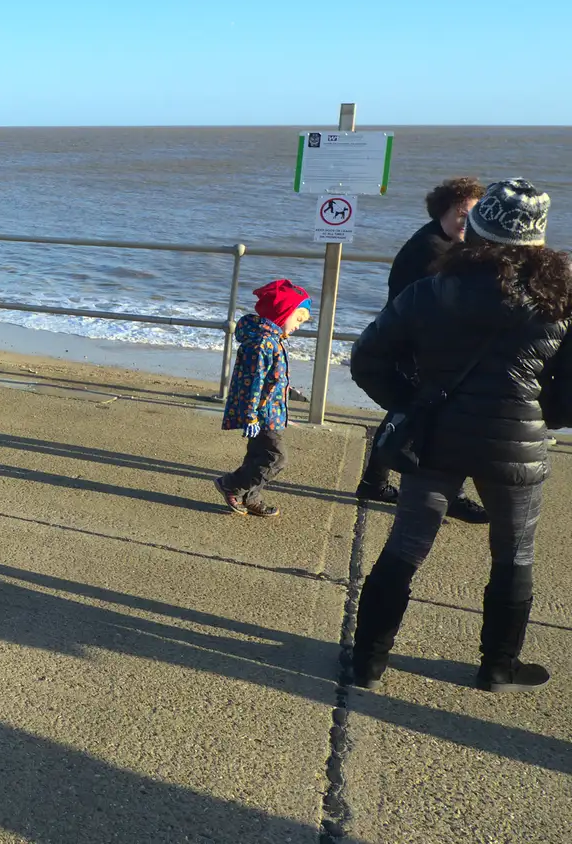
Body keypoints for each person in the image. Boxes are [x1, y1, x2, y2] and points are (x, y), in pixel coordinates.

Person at [350, 178, 572, 693]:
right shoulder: (560, 302)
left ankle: (368, 664)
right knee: (514, 553)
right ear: (538, 242)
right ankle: (498, 667)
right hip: (517, 445)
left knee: (405, 547)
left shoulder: (429, 291)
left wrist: (409, 401)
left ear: (472, 231)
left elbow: (366, 359)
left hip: (435, 438)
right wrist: (541, 414)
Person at [356, 177, 489, 523]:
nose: (466, 223)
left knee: (406, 412)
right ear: (443, 211)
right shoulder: (432, 249)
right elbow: (442, 304)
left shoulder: (444, 242)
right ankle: (449, 494)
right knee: (428, 414)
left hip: (409, 340)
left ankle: (374, 482)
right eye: (461, 214)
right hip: (413, 345)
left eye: (473, 216)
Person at [214, 280, 312, 517]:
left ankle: (251, 496)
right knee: (276, 458)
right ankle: (233, 485)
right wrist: (250, 416)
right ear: (282, 313)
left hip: (270, 411)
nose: (299, 326)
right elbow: (254, 383)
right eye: (297, 319)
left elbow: (273, 379)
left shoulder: (273, 339)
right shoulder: (263, 343)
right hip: (260, 414)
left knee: (257, 456)